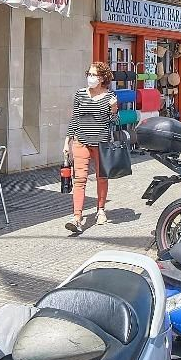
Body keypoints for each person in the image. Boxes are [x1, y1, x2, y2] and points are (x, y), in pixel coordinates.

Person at [64, 63, 119, 235]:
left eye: (93, 74)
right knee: (79, 179)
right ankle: (77, 218)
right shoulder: (80, 94)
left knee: (102, 177)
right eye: (88, 73)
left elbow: (114, 122)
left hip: (101, 142)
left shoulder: (110, 96)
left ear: (102, 78)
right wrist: (67, 141)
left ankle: (101, 210)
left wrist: (114, 109)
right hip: (81, 141)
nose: (90, 77)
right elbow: (75, 118)